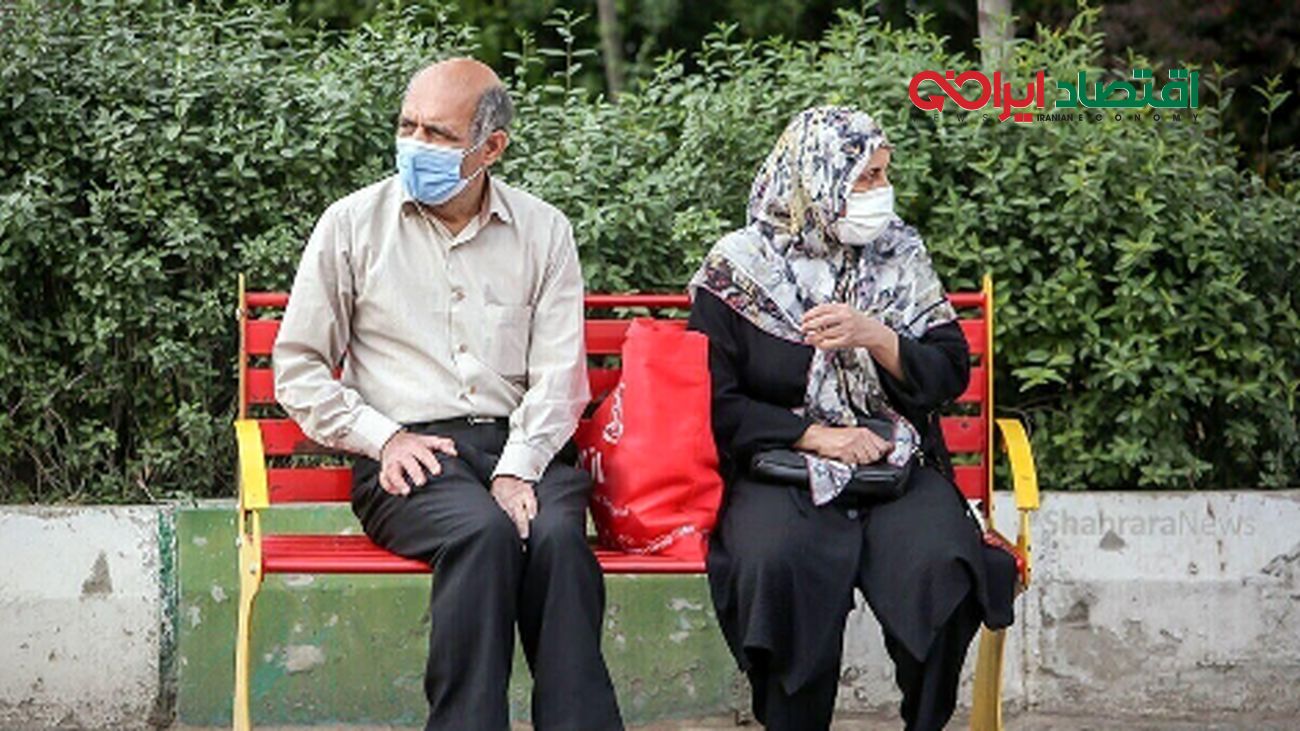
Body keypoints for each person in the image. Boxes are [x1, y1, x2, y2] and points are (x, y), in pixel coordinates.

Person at [272, 58, 623, 731]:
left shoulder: (544, 230)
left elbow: (559, 377)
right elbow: (299, 366)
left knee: (556, 539)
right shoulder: (351, 225)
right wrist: (382, 437)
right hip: (410, 455)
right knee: (481, 534)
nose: (414, 144)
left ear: (491, 148)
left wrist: (519, 467)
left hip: (524, 445)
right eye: (407, 126)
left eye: (437, 133)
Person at [686, 106, 1015, 731]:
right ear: (816, 179)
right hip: (781, 467)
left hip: (896, 462)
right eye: (867, 176)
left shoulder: (899, 254)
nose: (881, 190)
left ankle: (926, 721)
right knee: (776, 563)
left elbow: (948, 372)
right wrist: (816, 436)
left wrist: (878, 337)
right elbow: (712, 399)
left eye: (884, 173)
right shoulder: (739, 268)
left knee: (941, 563)